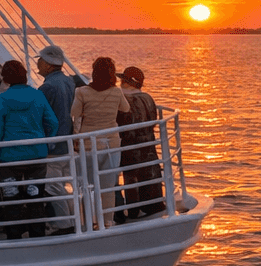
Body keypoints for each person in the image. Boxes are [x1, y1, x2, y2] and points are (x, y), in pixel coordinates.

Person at [0, 60, 58, 239]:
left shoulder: (0, 100)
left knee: (11, 202)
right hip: (36, 156)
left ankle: (14, 239)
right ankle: (38, 237)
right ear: (24, 75)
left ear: (5, 78)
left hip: (9, 158)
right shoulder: (38, 96)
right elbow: (53, 123)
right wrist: (47, 143)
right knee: (36, 200)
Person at [70, 56, 130, 228]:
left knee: (87, 186)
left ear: (94, 72)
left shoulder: (81, 92)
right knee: (108, 186)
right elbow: (125, 108)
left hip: (88, 143)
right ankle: (107, 221)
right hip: (111, 143)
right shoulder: (116, 92)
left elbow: (74, 112)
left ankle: (89, 221)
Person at [36, 43, 77, 233]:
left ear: (49, 64)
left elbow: (39, 117)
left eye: (41, 60)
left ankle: (64, 224)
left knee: (53, 186)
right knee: (60, 183)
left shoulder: (48, 87)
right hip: (65, 141)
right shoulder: (69, 82)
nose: (38, 63)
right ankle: (70, 218)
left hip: (53, 144)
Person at [116, 65, 165, 220]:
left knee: (131, 178)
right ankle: (153, 205)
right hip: (148, 144)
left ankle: (133, 210)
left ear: (127, 82)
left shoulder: (123, 99)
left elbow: (122, 124)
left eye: (122, 80)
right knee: (150, 174)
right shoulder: (148, 98)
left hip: (130, 146)